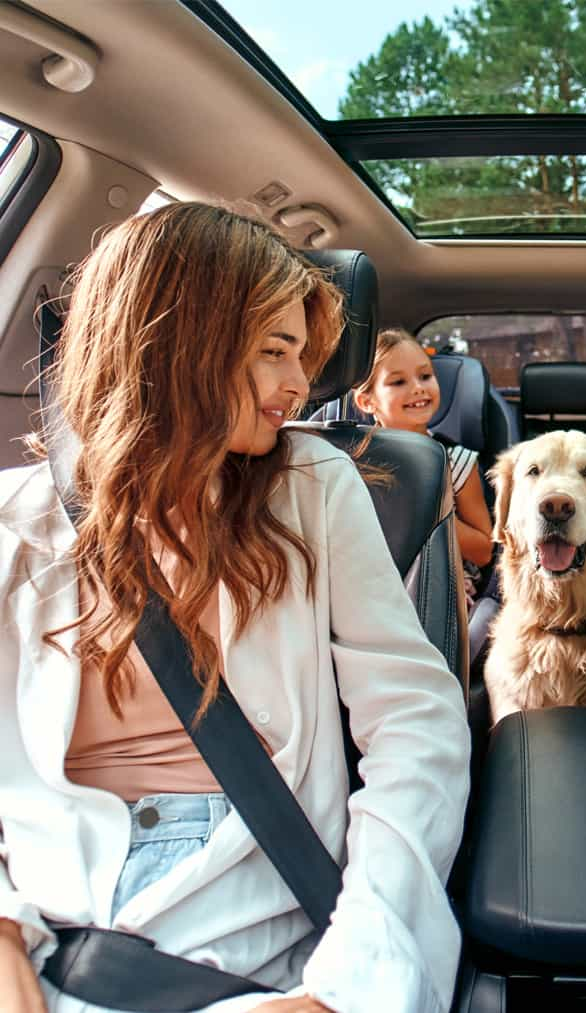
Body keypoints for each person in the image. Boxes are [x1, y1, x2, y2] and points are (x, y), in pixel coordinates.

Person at [0, 202, 471, 1013]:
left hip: (251, 925)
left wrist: (351, 979)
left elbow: (414, 724)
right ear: (178, 341)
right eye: (273, 352)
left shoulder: (313, 488)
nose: (301, 384)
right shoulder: (15, 518)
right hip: (51, 924)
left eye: (304, 355)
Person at [353, 329, 493, 605]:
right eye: (398, 382)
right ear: (367, 401)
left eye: (425, 376)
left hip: (440, 587)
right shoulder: (353, 463)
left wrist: (424, 513)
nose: (418, 387)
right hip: (369, 583)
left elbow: (484, 552)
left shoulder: (458, 462)